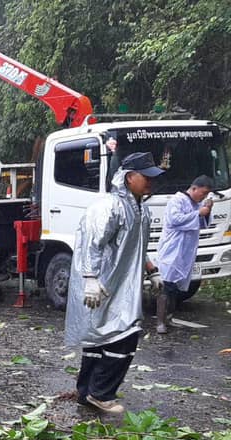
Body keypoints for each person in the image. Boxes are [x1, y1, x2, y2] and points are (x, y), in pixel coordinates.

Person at [65, 152, 165, 414]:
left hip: (123, 285)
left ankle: (86, 391)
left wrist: (151, 268)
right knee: (124, 338)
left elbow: (136, 247)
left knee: (102, 339)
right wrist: (90, 279)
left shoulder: (141, 209)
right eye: (146, 177)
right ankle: (101, 394)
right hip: (101, 285)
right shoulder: (108, 207)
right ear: (129, 177)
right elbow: (91, 244)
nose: (150, 183)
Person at [155, 175, 214, 333]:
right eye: (203, 193)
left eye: (207, 194)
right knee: (166, 285)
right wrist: (199, 213)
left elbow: (202, 224)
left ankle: (170, 317)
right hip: (172, 250)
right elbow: (175, 220)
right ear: (194, 188)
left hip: (186, 252)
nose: (204, 197)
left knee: (176, 288)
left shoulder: (196, 203)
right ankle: (160, 321)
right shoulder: (177, 200)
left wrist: (207, 211)